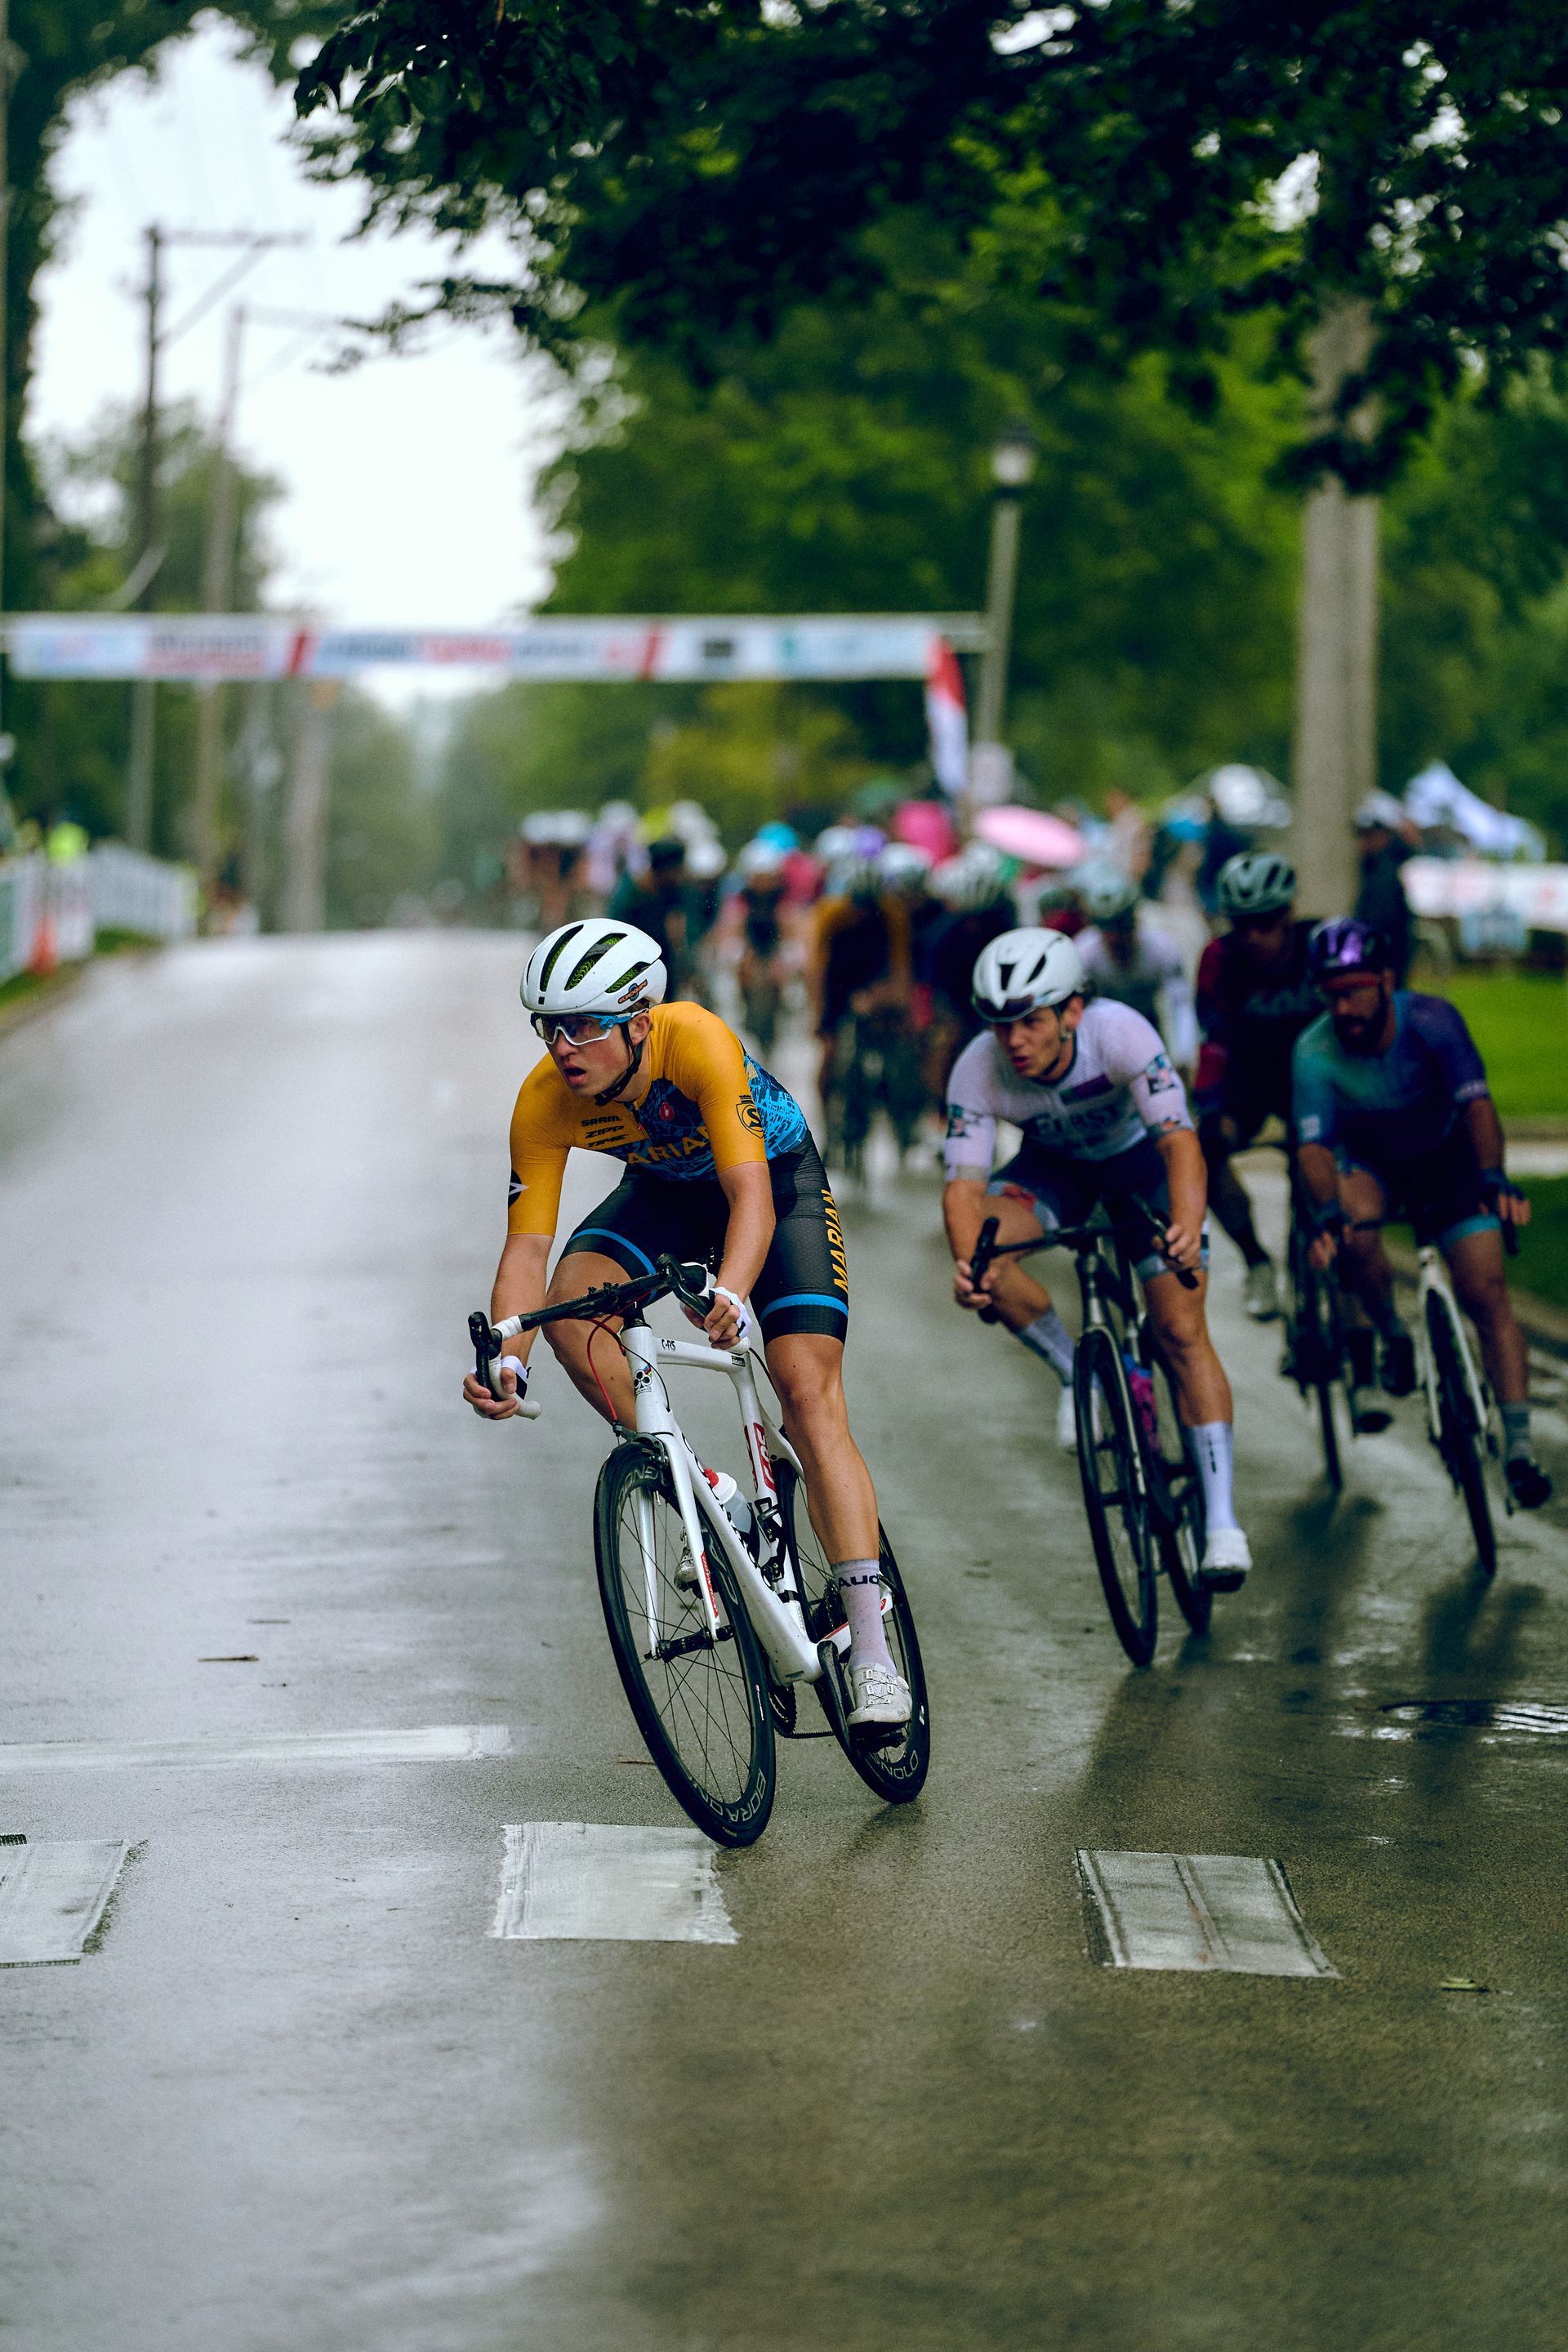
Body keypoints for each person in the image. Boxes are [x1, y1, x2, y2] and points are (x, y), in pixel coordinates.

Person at [461, 919, 912, 1726]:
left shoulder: (696, 1040)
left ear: (639, 1021)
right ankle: (702, 1487)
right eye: (549, 1028)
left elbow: (751, 1201)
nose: (565, 1048)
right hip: (664, 1195)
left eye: (585, 1027)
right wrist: (508, 1358)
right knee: (573, 1306)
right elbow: (525, 1255)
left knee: (807, 1395)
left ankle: (874, 1653)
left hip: (773, 1183)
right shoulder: (543, 1101)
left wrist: (732, 1294)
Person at [942, 926, 1254, 1588]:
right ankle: (1077, 1373)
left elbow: (1180, 1144)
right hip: (1055, 1170)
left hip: (1140, 1164)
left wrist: (1189, 1225)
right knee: (988, 1261)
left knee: (1178, 1328)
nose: (1013, 1040)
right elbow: (964, 1190)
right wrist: (969, 1264)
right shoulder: (977, 1065)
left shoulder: (1121, 1033)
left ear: (1072, 1012)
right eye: (999, 1026)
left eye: (1029, 1022)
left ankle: (1222, 1522)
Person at [1292, 917, 1550, 1508]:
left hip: (1446, 1156)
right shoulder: (1313, 1051)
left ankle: (1518, 1447)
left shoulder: (1433, 1021)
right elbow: (1312, 1147)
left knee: (1485, 1291)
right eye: (1331, 994)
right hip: (1371, 1162)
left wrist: (1493, 1176)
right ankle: (1389, 1331)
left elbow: (1477, 1104)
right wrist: (1327, 1212)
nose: (1344, 1007)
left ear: (1386, 980)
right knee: (1356, 1230)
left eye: (1355, 989)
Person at [1194, 851, 1321, 1322]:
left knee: (1319, 1168)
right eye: (1241, 924)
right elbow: (1214, 1042)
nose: (1254, 937)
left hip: (1314, 1077)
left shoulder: (1318, 945)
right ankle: (1256, 1260)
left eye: (1265, 923)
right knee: (1204, 1151)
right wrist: (1212, 1108)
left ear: (1288, 914)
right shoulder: (1219, 959)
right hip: (1248, 1077)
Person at [1074, 869, 1198, 1074]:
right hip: (1105, 1030)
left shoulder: (1161, 948)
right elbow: (1079, 1013)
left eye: (1122, 927)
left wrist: (1183, 1056)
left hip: (1147, 1023)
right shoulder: (1084, 953)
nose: (1115, 938)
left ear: (1135, 921)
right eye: (1107, 929)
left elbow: (1180, 1005)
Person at [1353, 794, 1416, 986]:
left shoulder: (1385, 870)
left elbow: (1380, 918)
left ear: (1385, 834)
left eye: (1369, 834)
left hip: (1385, 961)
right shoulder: (1376, 867)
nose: (1364, 842)